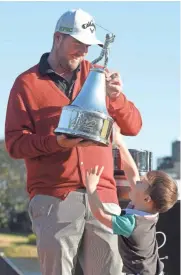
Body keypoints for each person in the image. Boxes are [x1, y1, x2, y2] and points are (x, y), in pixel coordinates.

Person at [5, 8, 142, 275]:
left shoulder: (99, 76)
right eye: (78, 44)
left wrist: (116, 98)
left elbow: (134, 126)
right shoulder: (26, 84)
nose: (84, 52)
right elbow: (14, 145)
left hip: (103, 199)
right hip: (54, 199)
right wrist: (56, 143)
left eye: (88, 46)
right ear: (58, 38)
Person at [86, 123, 178, 275]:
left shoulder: (131, 224)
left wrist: (91, 188)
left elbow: (100, 215)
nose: (137, 181)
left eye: (142, 182)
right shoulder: (149, 211)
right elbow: (133, 174)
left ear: (147, 198)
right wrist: (120, 144)